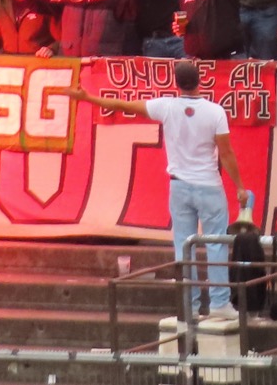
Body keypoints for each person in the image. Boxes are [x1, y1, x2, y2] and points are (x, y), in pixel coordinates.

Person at [62, 59, 244, 321]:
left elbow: (121, 104)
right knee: (215, 243)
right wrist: (239, 186)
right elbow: (226, 153)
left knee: (184, 246)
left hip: (179, 187)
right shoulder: (215, 112)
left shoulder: (166, 106)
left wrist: (87, 97)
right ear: (200, 79)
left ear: (177, 83)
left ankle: (189, 306)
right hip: (209, 186)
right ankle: (219, 304)